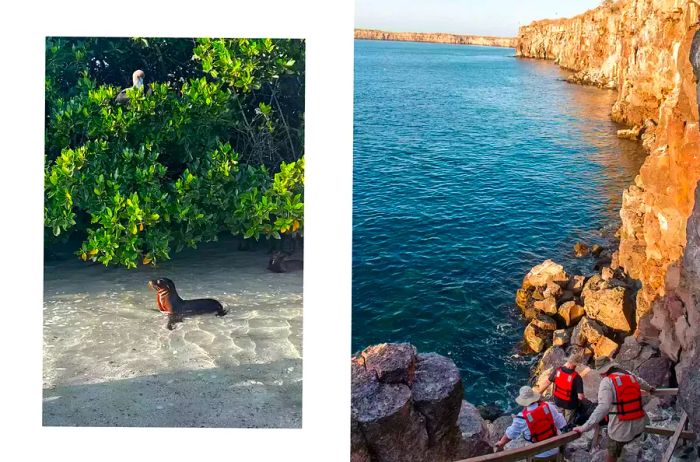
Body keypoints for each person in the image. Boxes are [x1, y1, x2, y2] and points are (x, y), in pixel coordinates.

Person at [573, 362, 656, 462]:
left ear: (602, 372)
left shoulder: (607, 381)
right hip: (639, 423)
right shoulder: (628, 374)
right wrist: (650, 388)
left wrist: (584, 427)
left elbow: (603, 408)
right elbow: (642, 383)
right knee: (630, 447)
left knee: (612, 453)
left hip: (620, 429)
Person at [495, 385, 567, 461]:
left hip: (538, 454)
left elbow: (510, 434)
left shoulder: (521, 418)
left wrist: (501, 442)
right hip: (555, 448)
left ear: (523, 402)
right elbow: (562, 423)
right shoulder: (548, 406)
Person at [536, 352, 585, 425]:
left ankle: (559, 427)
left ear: (568, 361)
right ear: (576, 365)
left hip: (558, 401)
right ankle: (567, 429)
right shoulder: (577, 378)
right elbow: (580, 397)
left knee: (559, 417)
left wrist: (538, 394)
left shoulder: (557, 370)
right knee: (567, 422)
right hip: (570, 405)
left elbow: (547, 383)